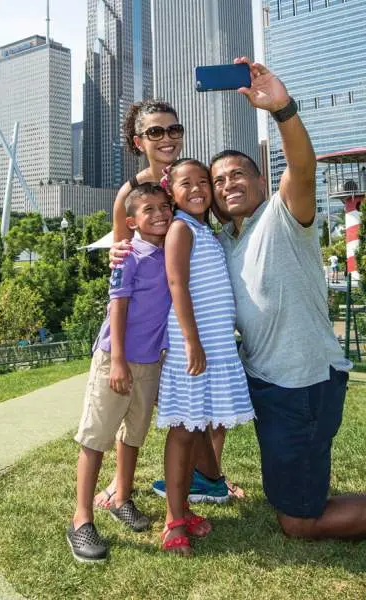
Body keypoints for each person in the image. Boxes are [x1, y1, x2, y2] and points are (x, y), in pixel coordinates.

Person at [209, 57, 366, 540]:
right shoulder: (226, 243)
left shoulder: (283, 215)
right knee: (291, 496)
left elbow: (302, 165)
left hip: (303, 386)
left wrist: (282, 110)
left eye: (238, 175)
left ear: (261, 182)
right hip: (267, 384)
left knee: (298, 521)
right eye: (219, 181)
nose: (227, 184)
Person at [96, 99, 243, 509]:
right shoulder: (133, 190)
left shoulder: (192, 180)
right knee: (137, 405)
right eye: (156, 131)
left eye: (173, 129)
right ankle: (122, 485)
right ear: (138, 140)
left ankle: (208, 476)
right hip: (151, 316)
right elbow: (123, 253)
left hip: (195, 312)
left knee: (205, 402)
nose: (166, 138)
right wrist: (115, 254)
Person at [67, 183, 173, 562]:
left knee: (133, 435)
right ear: (131, 221)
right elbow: (118, 306)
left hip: (150, 362)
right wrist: (118, 361)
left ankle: (121, 497)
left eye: (165, 206)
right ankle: (81, 519)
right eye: (149, 209)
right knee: (96, 436)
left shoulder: (171, 252)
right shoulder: (128, 254)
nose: (160, 213)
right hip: (117, 357)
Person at [158, 158, 254, 555]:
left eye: (204, 182)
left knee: (198, 426)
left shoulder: (203, 229)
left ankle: (186, 507)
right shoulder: (180, 229)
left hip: (213, 345)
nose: (198, 189)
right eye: (187, 183)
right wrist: (191, 340)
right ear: (171, 191)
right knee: (183, 432)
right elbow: (177, 285)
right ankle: (173, 520)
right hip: (192, 346)